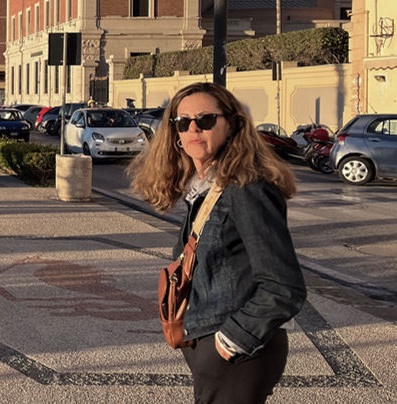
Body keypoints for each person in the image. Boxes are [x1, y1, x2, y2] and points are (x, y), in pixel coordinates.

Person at [128, 82, 305, 404]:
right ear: (176, 135)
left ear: (232, 125)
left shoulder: (246, 188)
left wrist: (233, 338)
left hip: (237, 351)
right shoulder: (207, 190)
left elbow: (284, 286)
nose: (193, 128)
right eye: (183, 123)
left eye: (206, 120)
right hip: (209, 342)